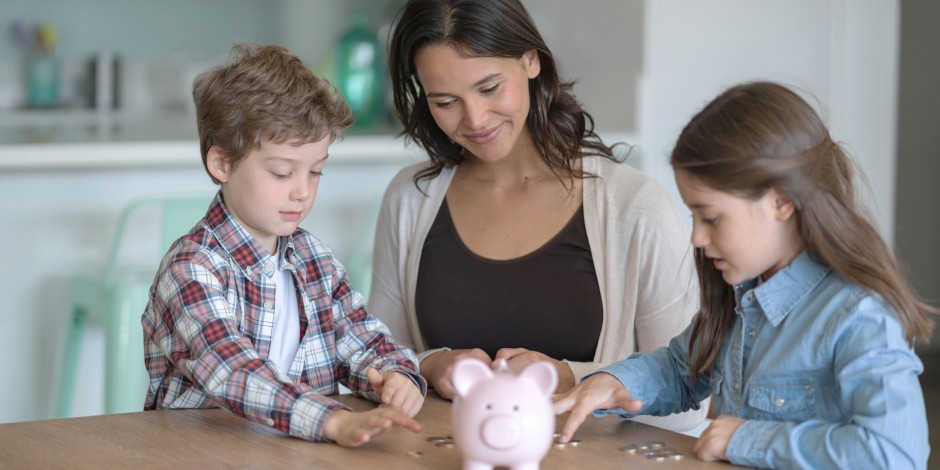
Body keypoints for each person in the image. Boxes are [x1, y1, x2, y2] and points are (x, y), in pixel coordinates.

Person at [553, 81, 937, 468]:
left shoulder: (859, 317)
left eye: (712, 217)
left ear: (781, 202)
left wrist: (745, 439)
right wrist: (616, 382)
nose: (697, 237)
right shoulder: (741, 298)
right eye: (694, 216)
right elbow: (678, 368)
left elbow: (895, 454)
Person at [369, 0, 706, 431]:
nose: (474, 119)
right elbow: (373, 359)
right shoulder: (410, 198)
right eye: (445, 101)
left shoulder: (634, 207)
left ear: (531, 60)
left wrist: (569, 377)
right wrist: (432, 365)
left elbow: (690, 398)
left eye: (489, 88)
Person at [141, 43, 427, 447]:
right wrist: (330, 420)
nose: (302, 192)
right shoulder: (190, 269)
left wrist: (396, 375)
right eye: (281, 173)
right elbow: (233, 370)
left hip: (296, 453)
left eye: (315, 172)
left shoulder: (317, 261)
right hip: (203, 455)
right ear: (222, 163)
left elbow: (364, 341)